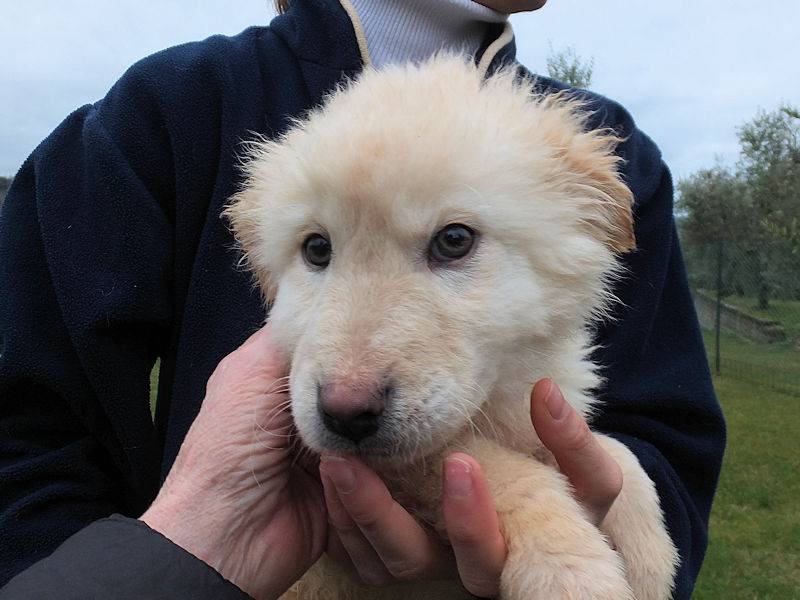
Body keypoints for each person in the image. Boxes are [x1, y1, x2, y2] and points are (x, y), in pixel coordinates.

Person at [0, 1, 725, 598]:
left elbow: (664, 437)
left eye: (452, 242)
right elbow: (24, 433)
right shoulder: (168, 108)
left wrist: (599, 500)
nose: (347, 392)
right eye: (316, 250)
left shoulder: (612, 152)